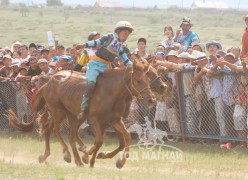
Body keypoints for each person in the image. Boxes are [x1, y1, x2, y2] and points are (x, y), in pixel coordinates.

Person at [76, 21, 134, 120]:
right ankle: (83, 108)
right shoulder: (109, 37)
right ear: (118, 31)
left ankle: (109, 110)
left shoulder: (121, 46)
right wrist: (84, 44)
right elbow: (96, 42)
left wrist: (136, 67)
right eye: (125, 33)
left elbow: (126, 60)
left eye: (128, 34)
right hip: (95, 65)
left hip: (107, 68)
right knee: (91, 84)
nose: (126, 36)